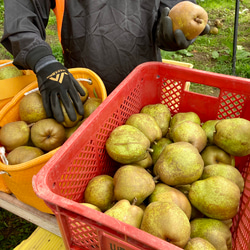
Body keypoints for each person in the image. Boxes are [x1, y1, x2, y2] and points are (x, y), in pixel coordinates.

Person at [1, 0, 209, 123]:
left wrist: (175, 31)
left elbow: (171, 9)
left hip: (145, 90)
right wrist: (43, 61)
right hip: (84, 93)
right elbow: (22, 13)